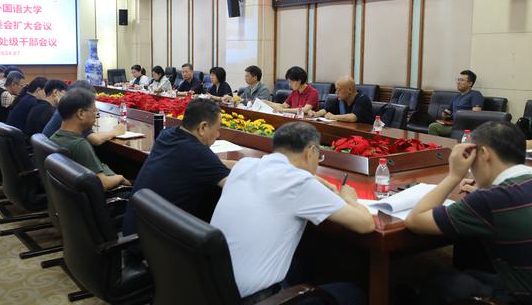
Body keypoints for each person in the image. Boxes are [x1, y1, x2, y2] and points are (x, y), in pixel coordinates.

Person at [211, 122, 374, 304]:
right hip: (255, 299)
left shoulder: (245, 166)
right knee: (353, 293)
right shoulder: (299, 183)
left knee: (300, 263)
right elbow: (366, 224)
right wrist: (349, 198)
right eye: (318, 156)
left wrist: (312, 178)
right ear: (311, 151)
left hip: (212, 288)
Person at [406, 121, 532, 305]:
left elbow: (415, 220)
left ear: (484, 154)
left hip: (522, 297)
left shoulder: (489, 200)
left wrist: (454, 175)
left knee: (442, 281)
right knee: (472, 270)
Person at [122, 98, 233, 236]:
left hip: (136, 230)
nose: (218, 135)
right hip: (158, 241)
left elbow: (207, 162)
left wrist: (240, 164)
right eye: (218, 129)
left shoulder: (168, 134)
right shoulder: (197, 153)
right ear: (203, 127)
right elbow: (234, 184)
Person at [50, 88, 131, 191]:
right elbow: (103, 183)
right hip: (113, 192)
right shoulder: (79, 145)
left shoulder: (54, 137)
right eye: (94, 111)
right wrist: (121, 178)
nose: (96, 116)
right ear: (81, 113)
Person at [42, 80, 125, 145]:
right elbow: (95, 140)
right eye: (91, 104)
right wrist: (115, 132)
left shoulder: (64, 109)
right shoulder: (72, 115)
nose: (95, 108)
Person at [428, 70, 484, 137]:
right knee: (434, 125)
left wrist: (459, 115)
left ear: (470, 83)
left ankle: (435, 144)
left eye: (462, 80)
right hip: (452, 124)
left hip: (463, 127)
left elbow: (476, 114)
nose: (458, 82)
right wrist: (445, 114)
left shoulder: (476, 94)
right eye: (458, 80)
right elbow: (447, 112)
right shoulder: (456, 96)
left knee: (433, 127)